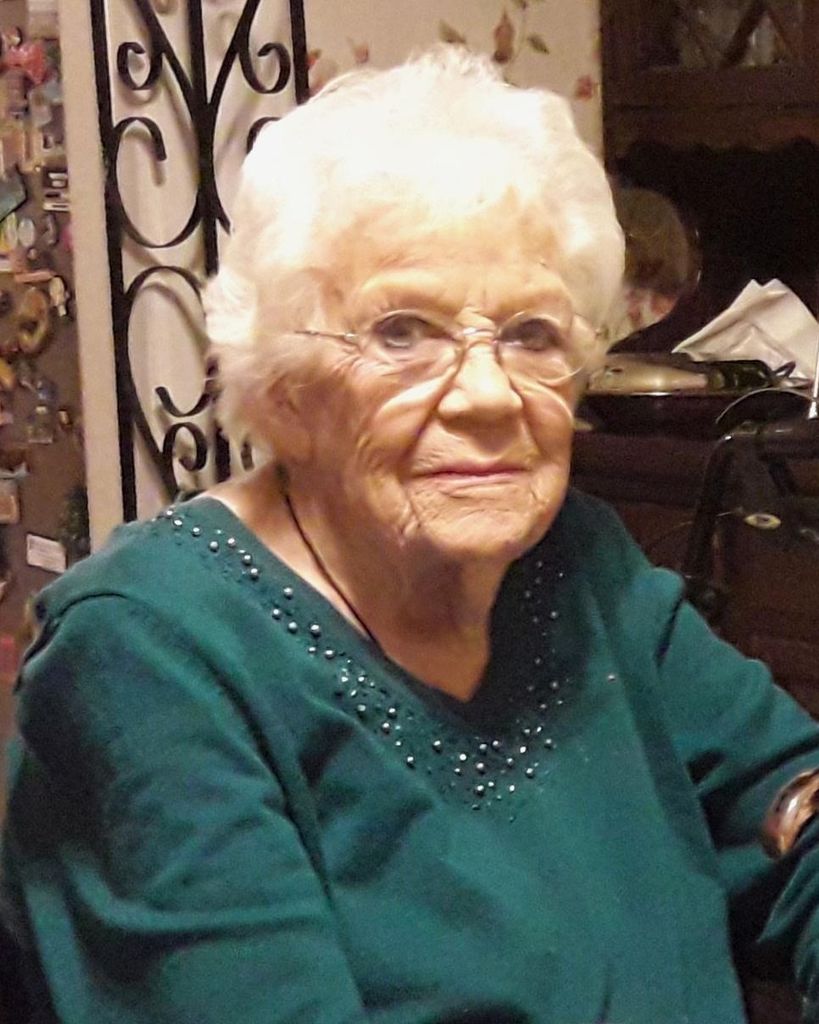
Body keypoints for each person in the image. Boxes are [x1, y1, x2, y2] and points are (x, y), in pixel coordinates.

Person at [3, 47, 819, 1024]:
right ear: (284, 384)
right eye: (401, 332)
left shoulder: (572, 561)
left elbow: (790, 804)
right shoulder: (147, 654)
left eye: (531, 334)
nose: (487, 395)